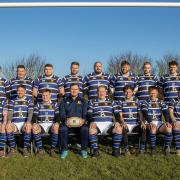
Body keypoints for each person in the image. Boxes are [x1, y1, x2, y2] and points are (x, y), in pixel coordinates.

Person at [88, 85, 122, 157]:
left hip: (108, 124)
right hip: (96, 124)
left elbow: (116, 114)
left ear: (106, 92)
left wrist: (117, 122)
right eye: (99, 91)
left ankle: (115, 150)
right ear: (97, 92)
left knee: (119, 129)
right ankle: (95, 151)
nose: (101, 93)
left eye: (103, 91)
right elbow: (89, 114)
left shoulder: (112, 102)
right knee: (91, 130)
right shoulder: (92, 102)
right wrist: (91, 121)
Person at [59, 83, 88, 159]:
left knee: (85, 129)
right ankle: (64, 149)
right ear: (69, 90)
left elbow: (85, 114)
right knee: (62, 129)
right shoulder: (64, 101)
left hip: (80, 123)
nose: (74, 91)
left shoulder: (83, 101)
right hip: (67, 123)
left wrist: (83, 120)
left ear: (78, 90)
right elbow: (62, 113)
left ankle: (84, 149)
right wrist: (65, 121)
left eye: (76, 89)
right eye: (72, 89)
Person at [141, 86, 172, 156]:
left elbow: (165, 112)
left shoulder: (161, 102)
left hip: (159, 123)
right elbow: (145, 113)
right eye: (151, 93)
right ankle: (153, 148)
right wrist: (150, 122)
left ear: (157, 93)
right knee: (153, 128)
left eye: (154, 93)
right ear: (149, 93)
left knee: (169, 128)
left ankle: (166, 147)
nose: (152, 95)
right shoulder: (145, 102)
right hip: (148, 123)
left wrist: (167, 121)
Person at [6, 85, 33, 157]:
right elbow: (10, 112)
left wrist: (28, 122)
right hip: (15, 123)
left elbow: (30, 112)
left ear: (25, 91)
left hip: (24, 122)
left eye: (22, 91)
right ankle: (12, 149)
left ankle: (25, 149)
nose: (20, 92)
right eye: (19, 91)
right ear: (17, 91)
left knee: (28, 127)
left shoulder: (29, 100)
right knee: (8, 127)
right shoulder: (12, 100)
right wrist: (9, 121)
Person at [118, 86, 146, 155]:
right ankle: (126, 149)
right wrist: (123, 123)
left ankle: (142, 149)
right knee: (123, 128)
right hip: (126, 123)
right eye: (126, 92)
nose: (127, 93)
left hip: (135, 124)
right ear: (124, 93)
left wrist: (142, 122)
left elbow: (139, 113)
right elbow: (120, 115)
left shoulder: (136, 100)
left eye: (129, 92)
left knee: (143, 128)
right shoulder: (120, 101)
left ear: (132, 92)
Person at [32, 89, 60, 156]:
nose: (45, 97)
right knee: (34, 127)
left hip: (51, 125)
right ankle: (40, 149)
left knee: (56, 127)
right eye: (43, 95)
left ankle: (52, 149)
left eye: (46, 95)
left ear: (50, 95)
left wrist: (56, 122)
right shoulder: (38, 104)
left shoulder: (55, 104)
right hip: (41, 125)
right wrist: (34, 123)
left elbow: (58, 116)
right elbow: (34, 115)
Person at [168, 89, 180, 156]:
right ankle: (178, 150)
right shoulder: (173, 100)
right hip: (176, 120)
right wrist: (174, 121)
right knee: (176, 126)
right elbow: (170, 112)